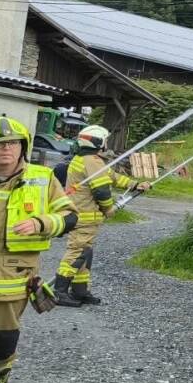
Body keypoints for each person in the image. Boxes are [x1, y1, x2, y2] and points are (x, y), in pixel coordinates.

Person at [0, 116, 77, 383]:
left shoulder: (43, 178)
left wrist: (42, 223)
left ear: (23, 147)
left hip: (11, 281)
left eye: (13, 143)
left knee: (0, 344)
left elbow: (70, 216)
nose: (6, 149)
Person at [53, 125, 148, 308]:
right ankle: (60, 291)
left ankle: (80, 290)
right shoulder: (92, 161)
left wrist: (135, 185)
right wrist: (108, 209)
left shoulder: (87, 159)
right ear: (98, 142)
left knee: (85, 253)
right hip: (84, 217)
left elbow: (112, 177)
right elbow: (102, 190)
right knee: (77, 252)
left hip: (83, 216)